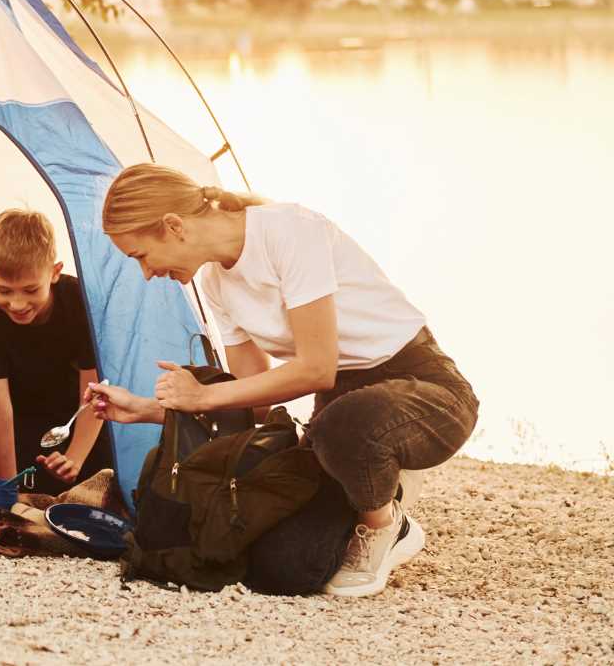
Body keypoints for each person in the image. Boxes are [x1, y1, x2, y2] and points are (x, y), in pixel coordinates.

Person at [92, 163, 478, 597]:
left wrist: (204, 393)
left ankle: (387, 523)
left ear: (173, 226)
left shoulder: (289, 231)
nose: (146, 273)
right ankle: (372, 477)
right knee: (283, 569)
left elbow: (316, 368)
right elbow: (252, 402)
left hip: (422, 387)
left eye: (141, 256)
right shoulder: (216, 284)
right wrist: (150, 409)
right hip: (341, 412)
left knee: (346, 426)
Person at [0, 208, 113, 496]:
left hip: (82, 418)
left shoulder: (80, 301)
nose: (18, 304)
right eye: (4, 291)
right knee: (29, 494)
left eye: (31, 290)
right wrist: (7, 487)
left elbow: (95, 390)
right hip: (26, 421)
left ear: (55, 272)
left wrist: (75, 456)